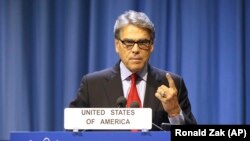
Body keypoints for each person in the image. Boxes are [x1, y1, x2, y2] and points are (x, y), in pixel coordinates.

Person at [69, 10, 197, 130]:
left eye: (143, 42)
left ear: (151, 45)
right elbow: (71, 131)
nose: (135, 49)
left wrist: (174, 112)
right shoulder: (92, 85)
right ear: (117, 45)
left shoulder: (172, 85)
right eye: (128, 42)